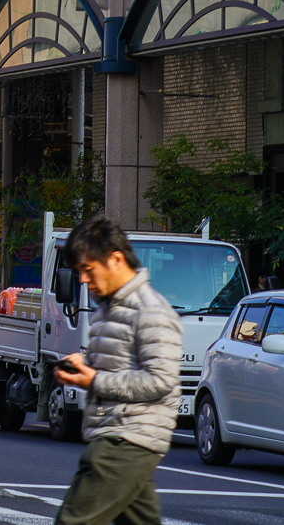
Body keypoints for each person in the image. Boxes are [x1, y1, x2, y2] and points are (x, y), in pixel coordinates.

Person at [49, 216, 181, 525]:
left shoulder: (149, 310)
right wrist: (86, 367)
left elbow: (160, 380)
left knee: (73, 521)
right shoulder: (110, 307)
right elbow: (120, 364)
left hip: (127, 438)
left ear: (115, 259)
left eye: (87, 269)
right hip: (123, 436)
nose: (82, 279)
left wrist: (94, 379)